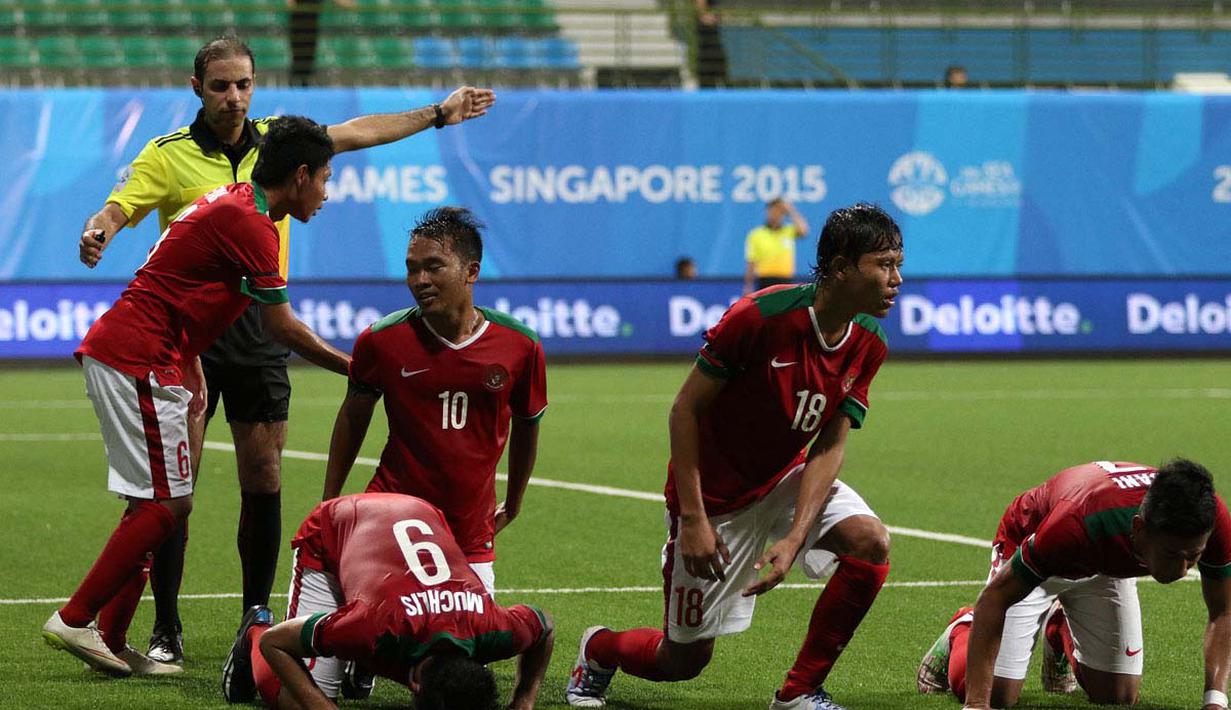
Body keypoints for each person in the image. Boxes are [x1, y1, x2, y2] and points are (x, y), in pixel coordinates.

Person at [76, 35, 496, 664]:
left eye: (243, 83)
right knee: (170, 492)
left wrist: (436, 114)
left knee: (262, 471)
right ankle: (162, 624)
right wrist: (100, 228)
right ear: (198, 89)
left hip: (252, 330)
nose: (234, 97)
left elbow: (358, 131)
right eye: (220, 86)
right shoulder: (170, 157)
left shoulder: (280, 142)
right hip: (195, 338)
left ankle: (254, 610)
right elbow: (123, 203)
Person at [41, 116, 352, 678]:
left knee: (154, 503)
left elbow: (174, 276)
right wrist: (357, 369)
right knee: (167, 505)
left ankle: (109, 640)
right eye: (326, 179)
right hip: (137, 356)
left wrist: (190, 360)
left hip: (151, 354)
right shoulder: (254, 223)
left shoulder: (235, 202)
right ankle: (75, 617)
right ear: (301, 176)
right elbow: (279, 328)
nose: (328, 194)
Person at [566, 203, 905, 710]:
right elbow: (684, 410)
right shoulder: (759, 317)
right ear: (840, 267)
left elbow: (831, 442)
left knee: (869, 543)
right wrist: (694, 517)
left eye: (898, 263)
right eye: (883, 264)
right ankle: (599, 649)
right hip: (715, 498)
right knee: (683, 661)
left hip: (784, 478)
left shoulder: (869, 341)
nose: (895, 278)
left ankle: (799, 692)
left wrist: (795, 538)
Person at [323, 206, 546, 593]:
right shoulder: (381, 340)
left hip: (471, 534)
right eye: (412, 268)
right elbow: (352, 418)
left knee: (467, 652)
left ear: (471, 272)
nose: (419, 280)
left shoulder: (520, 345)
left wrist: (515, 500)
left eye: (433, 267)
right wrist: (329, 500)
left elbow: (528, 425)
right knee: (377, 644)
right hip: (389, 519)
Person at [916, 459, 1231, 710]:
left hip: (1104, 560)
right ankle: (961, 629)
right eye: (1172, 555)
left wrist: (1215, 699)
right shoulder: (1075, 525)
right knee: (998, 694)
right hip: (1037, 546)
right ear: (1140, 528)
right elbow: (995, 600)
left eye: (1194, 557)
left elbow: (1223, 612)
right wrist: (976, 704)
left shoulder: (1211, 519)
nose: (1182, 569)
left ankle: (1058, 628)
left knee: (1118, 695)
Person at [220, 492, 555, 710]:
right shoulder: (373, 626)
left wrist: (523, 701)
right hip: (336, 529)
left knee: (360, 634)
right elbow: (277, 644)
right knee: (294, 702)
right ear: (413, 684)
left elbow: (545, 627)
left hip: (420, 512)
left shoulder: (493, 627)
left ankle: (357, 660)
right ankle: (255, 625)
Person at [743, 197, 810, 295]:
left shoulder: (789, 231)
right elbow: (751, 262)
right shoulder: (756, 234)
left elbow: (804, 231)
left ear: (783, 214)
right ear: (767, 212)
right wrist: (748, 286)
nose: (775, 215)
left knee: (786, 310)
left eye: (779, 212)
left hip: (786, 281)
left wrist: (790, 210)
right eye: (772, 211)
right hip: (765, 281)